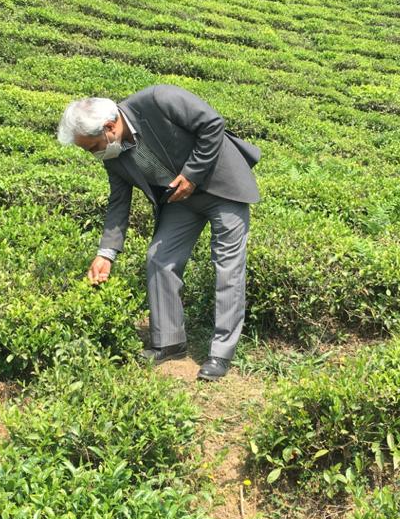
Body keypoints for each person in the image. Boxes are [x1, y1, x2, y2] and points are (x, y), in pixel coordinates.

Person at [56, 83, 261, 381]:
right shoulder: (113, 156)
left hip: (223, 185)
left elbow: (213, 125)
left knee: (227, 266)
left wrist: (191, 174)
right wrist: (106, 254)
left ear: (110, 127)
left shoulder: (158, 100)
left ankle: (220, 354)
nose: (93, 154)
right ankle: (169, 342)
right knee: (159, 258)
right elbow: (118, 203)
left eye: (93, 147)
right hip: (181, 199)